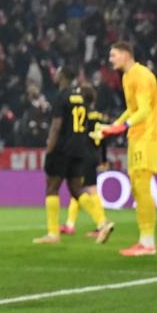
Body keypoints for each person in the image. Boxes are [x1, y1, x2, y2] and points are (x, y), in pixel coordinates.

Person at [33, 68, 114, 244]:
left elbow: (56, 126)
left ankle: (53, 234)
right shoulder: (81, 99)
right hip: (79, 149)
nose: (54, 75)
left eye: (57, 73)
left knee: (52, 188)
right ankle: (102, 223)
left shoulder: (61, 96)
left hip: (62, 148)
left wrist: (49, 149)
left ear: (62, 76)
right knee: (77, 189)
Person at [101, 41, 157, 257]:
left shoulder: (143, 76)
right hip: (136, 135)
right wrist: (114, 126)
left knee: (142, 185)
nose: (110, 59)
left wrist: (123, 126)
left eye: (114, 55)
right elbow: (132, 109)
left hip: (148, 134)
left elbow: (145, 110)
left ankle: (148, 243)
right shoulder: (127, 77)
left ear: (126, 55)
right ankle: (143, 240)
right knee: (137, 187)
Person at [62, 85, 111, 237]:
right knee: (81, 189)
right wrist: (103, 158)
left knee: (84, 189)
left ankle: (101, 224)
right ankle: (70, 224)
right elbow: (104, 138)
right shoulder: (98, 116)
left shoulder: (83, 114)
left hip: (84, 154)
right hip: (95, 153)